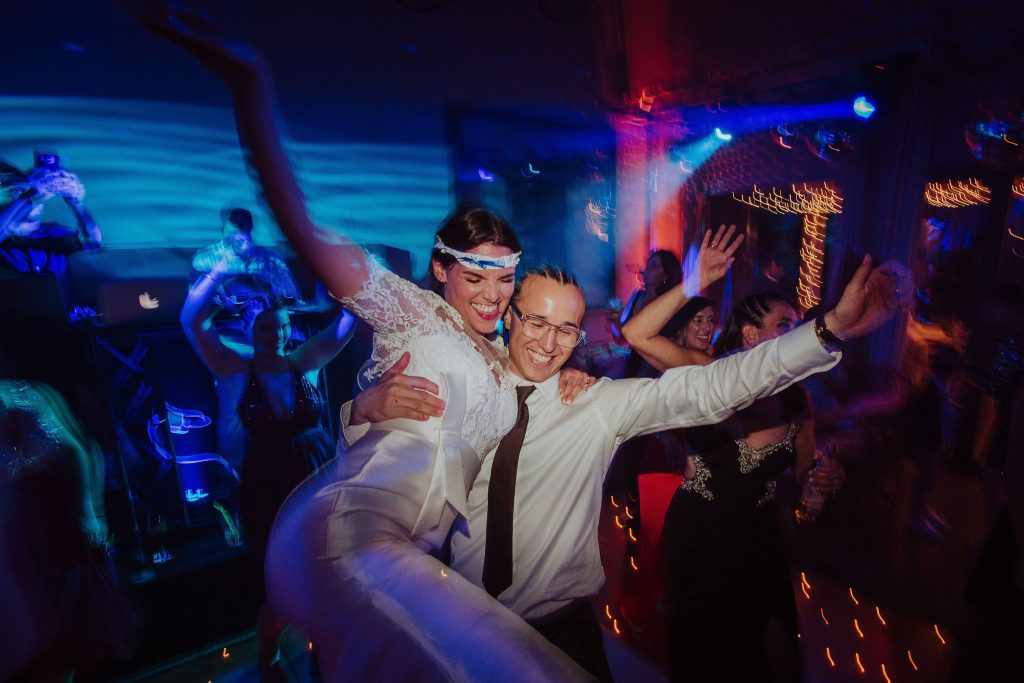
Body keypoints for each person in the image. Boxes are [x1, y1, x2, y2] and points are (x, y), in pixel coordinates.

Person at [146, 10, 599, 681]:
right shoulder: (408, 309)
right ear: (440, 269)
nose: (492, 295)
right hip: (350, 535)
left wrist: (570, 377)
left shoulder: (504, 357)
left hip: (414, 555)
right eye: (475, 276)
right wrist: (252, 80)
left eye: (504, 279)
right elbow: (299, 220)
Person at [342, 226, 910, 678]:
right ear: (509, 317)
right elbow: (388, 466)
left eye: (567, 329)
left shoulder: (596, 404)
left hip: (562, 628)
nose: (549, 342)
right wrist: (361, 410)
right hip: (462, 622)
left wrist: (827, 330)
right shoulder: (467, 387)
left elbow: (715, 386)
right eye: (536, 321)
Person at [647, 289, 845, 682]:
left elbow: (804, 472)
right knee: (704, 648)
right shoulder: (713, 377)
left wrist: (826, 477)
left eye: (797, 326)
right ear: (752, 335)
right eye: (784, 325)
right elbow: (645, 343)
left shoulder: (798, 398)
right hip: (700, 534)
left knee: (766, 643)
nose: (795, 334)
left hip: (759, 535)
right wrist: (693, 281)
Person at [180, 257, 354, 679]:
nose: (276, 335)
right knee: (280, 582)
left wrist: (345, 275)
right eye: (265, 328)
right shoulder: (236, 370)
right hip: (269, 488)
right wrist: (221, 269)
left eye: (281, 327)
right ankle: (270, 659)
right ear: (249, 329)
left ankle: (323, 655)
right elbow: (192, 322)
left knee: (326, 573)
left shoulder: (303, 361)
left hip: (316, 479)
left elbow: (347, 323)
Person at [0, 379, 137, 681]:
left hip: (44, 515)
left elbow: (79, 449)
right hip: (16, 514)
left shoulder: (21, 395)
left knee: (63, 613)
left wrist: (90, 511)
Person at [0, 151, 102, 275]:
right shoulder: (4, 240)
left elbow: (93, 243)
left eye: (24, 189)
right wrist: (30, 196)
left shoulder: (55, 233)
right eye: (15, 191)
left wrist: (75, 202)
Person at [191, 207, 303, 318]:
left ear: (250, 228)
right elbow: (199, 265)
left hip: (266, 316)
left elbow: (291, 295)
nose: (236, 237)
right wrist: (242, 268)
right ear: (222, 228)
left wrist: (268, 288)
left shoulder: (270, 258)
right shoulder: (206, 257)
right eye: (232, 231)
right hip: (223, 318)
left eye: (242, 228)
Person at [607, 249, 683, 378]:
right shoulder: (637, 295)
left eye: (654, 266)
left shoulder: (668, 303)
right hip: (635, 360)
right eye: (648, 264)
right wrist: (616, 319)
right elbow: (621, 336)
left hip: (657, 365)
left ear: (665, 276)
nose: (647, 269)